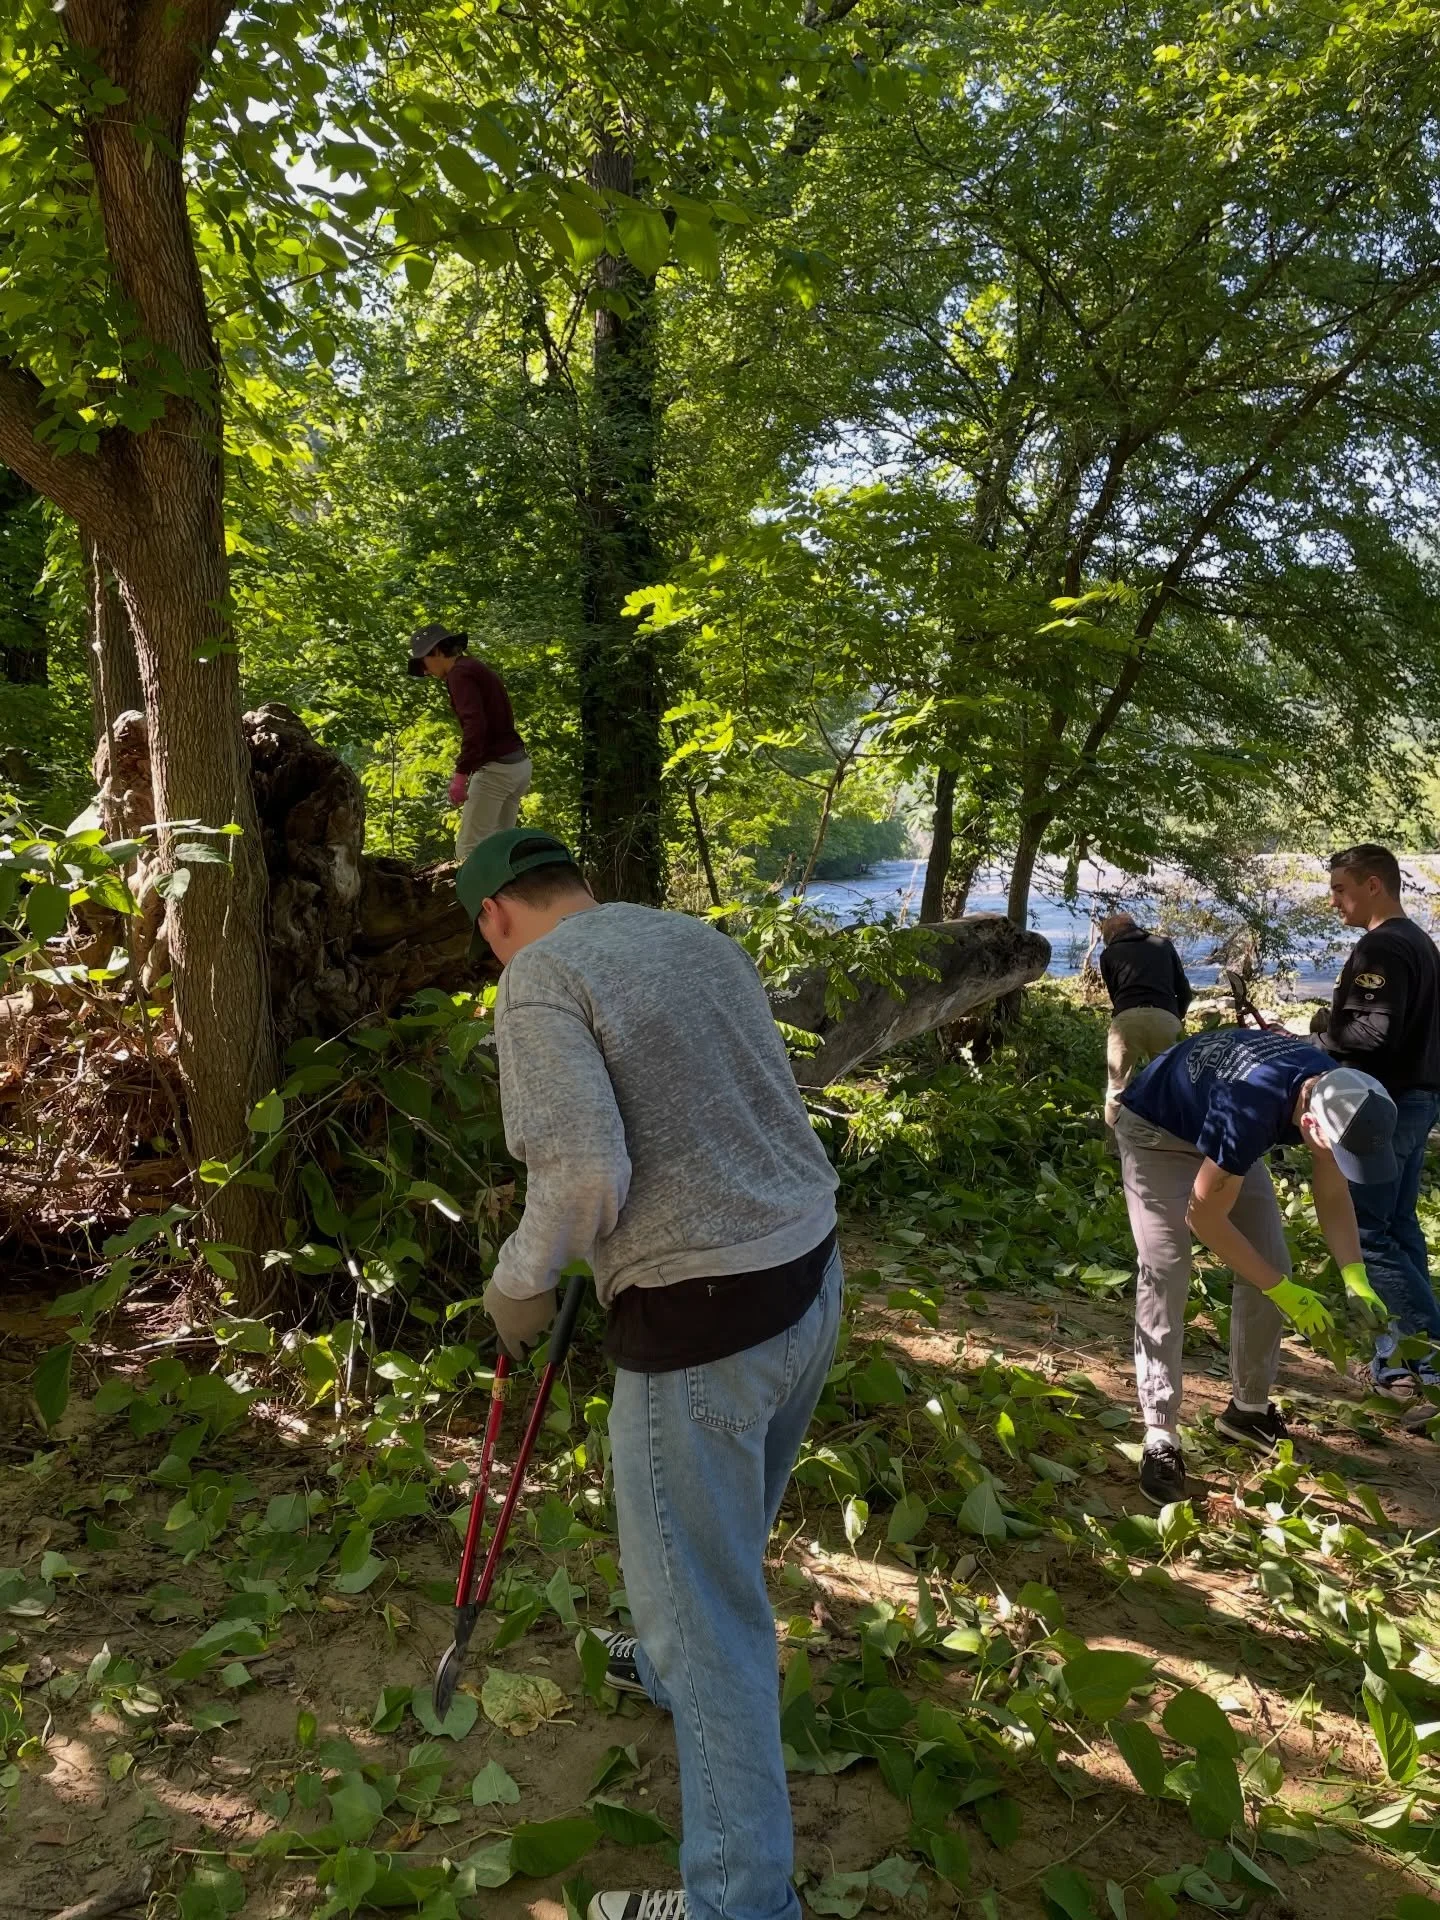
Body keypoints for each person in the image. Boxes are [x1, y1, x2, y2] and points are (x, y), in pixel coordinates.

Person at [458, 828, 842, 1920]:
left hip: (703, 1323)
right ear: (576, 885)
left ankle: (740, 1904)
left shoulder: (538, 976)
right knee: (719, 1554)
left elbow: (583, 1168)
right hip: (811, 1273)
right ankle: (671, 1672)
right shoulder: (693, 938)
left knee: (710, 1620)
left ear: (495, 916)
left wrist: (521, 1279)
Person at [1115, 1026, 1395, 1506]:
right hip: (1156, 1132)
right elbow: (1203, 1218)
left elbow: (1332, 1192)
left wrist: (1355, 1275)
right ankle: (1160, 1434)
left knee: (1271, 1260)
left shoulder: (1336, 1093)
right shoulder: (1250, 1111)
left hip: (1216, 1131)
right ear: (1311, 1126)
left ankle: (1247, 1410)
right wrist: (1281, 1290)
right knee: (1166, 1269)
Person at [1325, 844, 1440, 1391]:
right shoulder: (1419, 942)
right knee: (1397, 1226)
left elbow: (1373, 1033)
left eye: (1340, 889)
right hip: (1418, 1098)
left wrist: (1319, 1039)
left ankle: (1428, 1355)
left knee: (1367, 1234)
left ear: (1374, 885)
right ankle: (1401, 1358)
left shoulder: (1383, 946)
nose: (1334, 901)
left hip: (1382, 1107)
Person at [406, 623, 531, 861]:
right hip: (518, 766)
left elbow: (475, 725)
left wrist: (460, 775)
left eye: (423, 662)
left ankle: (473, 888)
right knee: (501, 848)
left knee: (469, 851)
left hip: (497, 771)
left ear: (437, 651)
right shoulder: (472, 666)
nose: (425, 671)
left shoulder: (459, 674)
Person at [1098, 912, 1193, 1127]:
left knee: (1116, 1089)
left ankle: (1114, 1142)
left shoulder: (1108, 954)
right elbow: (1184, 991)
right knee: (1171, 1087)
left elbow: (1115, 996)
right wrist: (1174, 1016)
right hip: (1165, 1018)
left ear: (1111, 934)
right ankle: (1172, 1138)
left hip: (1126, 1019)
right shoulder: (1163, 945)